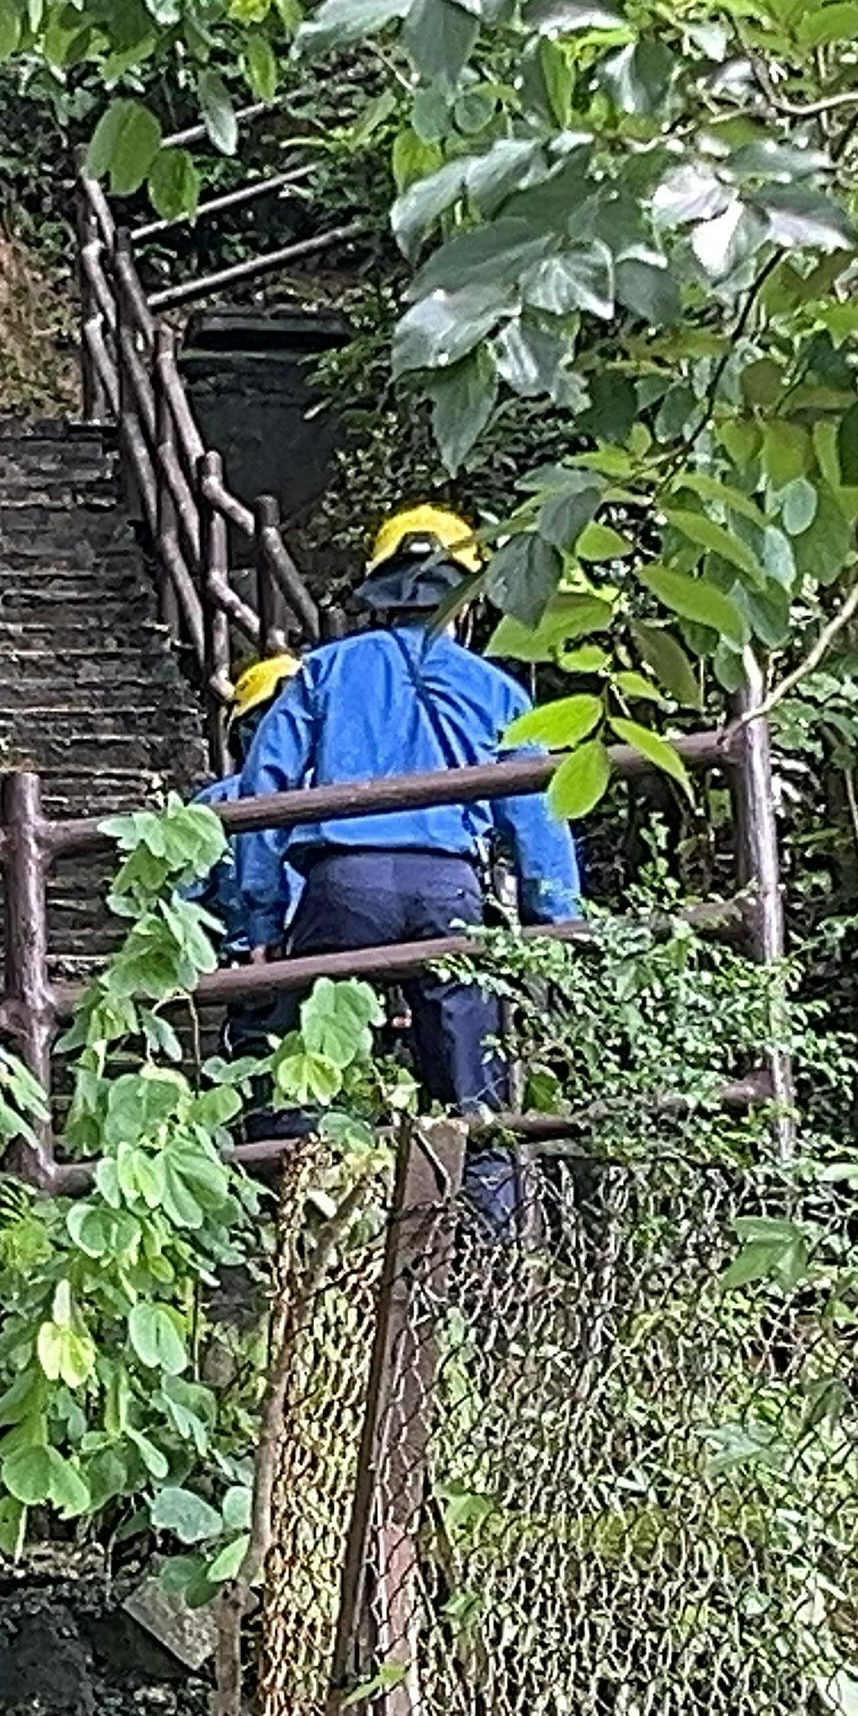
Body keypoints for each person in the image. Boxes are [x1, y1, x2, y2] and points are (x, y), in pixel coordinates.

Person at [237, 506, 584, 1212]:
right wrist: (558, 925)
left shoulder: (322, 673)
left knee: (316, 1075)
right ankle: (494, 1265)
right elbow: (535, 817)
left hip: (341, 890)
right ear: (463, 595)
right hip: (448, 893)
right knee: (470, 1090)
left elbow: (262, 790)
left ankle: (315, 1249)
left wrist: (261, 917)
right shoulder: (495, 690)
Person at [195, 653, 303, 963]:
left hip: (251, 965)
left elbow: (183, 903)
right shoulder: (347, 788)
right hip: (333, 954)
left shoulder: (215, 803)